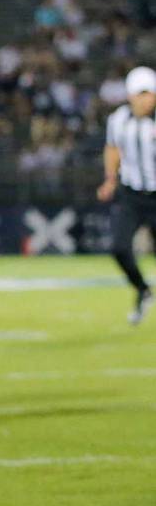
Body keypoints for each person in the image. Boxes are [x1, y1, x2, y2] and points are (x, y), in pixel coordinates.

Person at [98, 65, 156, 326]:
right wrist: (110, 179)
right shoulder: (118, 120)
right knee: (119, 248)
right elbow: (112, 149)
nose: (149, 98)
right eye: (143, 93)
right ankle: (143, 289)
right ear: (131, 95)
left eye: (151, 93)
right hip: (131, 194)